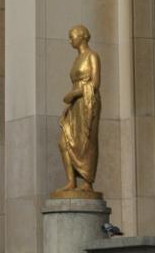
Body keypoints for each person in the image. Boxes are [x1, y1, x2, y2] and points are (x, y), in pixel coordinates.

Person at [53, 25, 101, 195]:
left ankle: (87, 182)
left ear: (82, 37)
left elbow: (94, 83)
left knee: (87, 141)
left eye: (71, 36)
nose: (69, 40)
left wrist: (74, 94)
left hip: (88, 103)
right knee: (63, 142)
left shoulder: (92, 56)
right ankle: (71, 181)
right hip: (75, 104)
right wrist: (68, 105)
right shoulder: (77, 59)